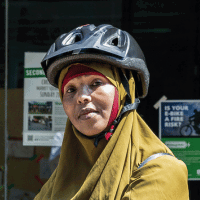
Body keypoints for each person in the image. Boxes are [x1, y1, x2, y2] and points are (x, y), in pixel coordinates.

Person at [35, 24, 189, 200]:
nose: (81, 97)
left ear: (124, 93)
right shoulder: (61, 178)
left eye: (96, 83)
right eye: (70, 89)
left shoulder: (161, 171)